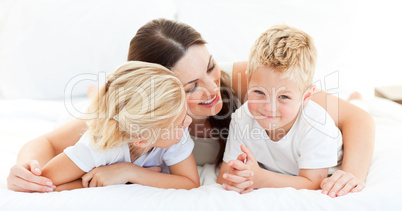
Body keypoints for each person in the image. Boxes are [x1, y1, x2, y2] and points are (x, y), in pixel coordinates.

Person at [7, 19, 374, 197]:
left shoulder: (249, 84)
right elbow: (47, 145)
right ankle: (92, 90)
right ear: (156, 92)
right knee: (94, 101)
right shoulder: (131, 116)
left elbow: (357, 120)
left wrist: (353, 174)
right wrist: (25, 168)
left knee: (353, 101)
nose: (212, 89)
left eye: (210, 67)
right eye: (190, 87)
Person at [217, 25, 343, 194]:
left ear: (306, 97)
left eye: (283, 97)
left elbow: (312, 183)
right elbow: (225, 173)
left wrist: (261, 178)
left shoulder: (317, 125)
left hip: (323, 165)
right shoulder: (242, 117)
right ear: (248, 82)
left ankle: (356, 98)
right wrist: (238, 177)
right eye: (259, 92)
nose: (268, 108)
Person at [41, 61, 199, 191]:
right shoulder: (95, 148)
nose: (188, 122)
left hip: (118, 113)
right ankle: (94, 94)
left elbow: (191, 183)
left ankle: (95, 92)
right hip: (90, 118)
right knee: (92, 110)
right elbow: (46, 182)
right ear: (141, 140)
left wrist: (131, 173)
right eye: (179, 125)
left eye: (185, 114)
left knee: (105, 104)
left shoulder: (174, 132)